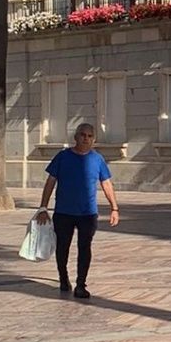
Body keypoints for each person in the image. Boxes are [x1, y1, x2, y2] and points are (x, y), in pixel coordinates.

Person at [36, 124, 119, 299]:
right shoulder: (62, 157)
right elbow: (50, 182)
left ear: (93, 139)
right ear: (76, 137)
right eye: (82, 135)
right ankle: (63, 277)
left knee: (85, 247)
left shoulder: (97, 159)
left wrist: (114, 208)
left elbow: (106, 183)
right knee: (62, 247)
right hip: (64, 212)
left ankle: (81, 284)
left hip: (87, 213)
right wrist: (43, 207)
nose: (86, 139)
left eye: (90, 136)